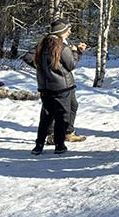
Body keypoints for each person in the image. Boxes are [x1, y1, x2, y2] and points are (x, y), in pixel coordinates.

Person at [27, 20, 87, 155]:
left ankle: (38, 147)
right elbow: (71, 65)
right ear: (61, 32)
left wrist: (42, 68)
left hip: (44, 87)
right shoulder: (63, 47)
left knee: (46, 116)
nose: (70, 32)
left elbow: (28, 57)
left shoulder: (42, 44)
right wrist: (78, 52)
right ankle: (59, 146)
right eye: (68, 30)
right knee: (61, 117)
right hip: (62, 87)